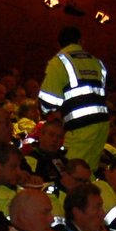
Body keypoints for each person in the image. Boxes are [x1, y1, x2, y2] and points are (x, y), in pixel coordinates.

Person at [39, 26, 109, 169]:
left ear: (58, 44)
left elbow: (48, 101)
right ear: (80, 41)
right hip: (103, 124)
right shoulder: (97, 62)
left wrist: (49, 112)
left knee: (73, 170)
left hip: (80, 126)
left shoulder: (59, 61)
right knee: (89, 170)